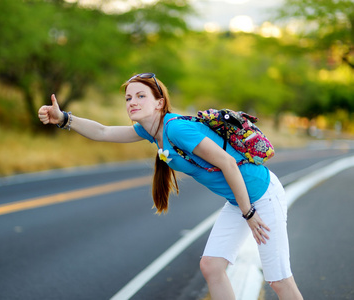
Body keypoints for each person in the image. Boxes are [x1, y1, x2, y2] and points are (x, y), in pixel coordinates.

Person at [38, 73, 303, 300]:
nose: (132, 102)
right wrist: (63, 119)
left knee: (278, 279)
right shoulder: (150, 131)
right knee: (211, 266)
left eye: (141, 96)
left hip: (261, 196)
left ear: (159, 103)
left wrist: (249, 213)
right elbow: (103, 132)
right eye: (128, 98)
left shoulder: (176, 129)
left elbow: (228, 164)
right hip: (240, 201)